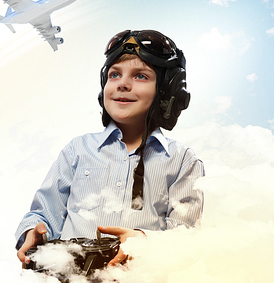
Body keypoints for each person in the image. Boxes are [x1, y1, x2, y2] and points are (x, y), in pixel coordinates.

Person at [15, 29, 204, 267]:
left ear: (167, 91)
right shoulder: (78, 150)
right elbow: (43, 214)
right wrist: (32, 232)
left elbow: (186, 241)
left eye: (141, 76)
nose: (123, 84)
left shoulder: (182, 161)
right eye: (115, 75)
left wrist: (143, 242)